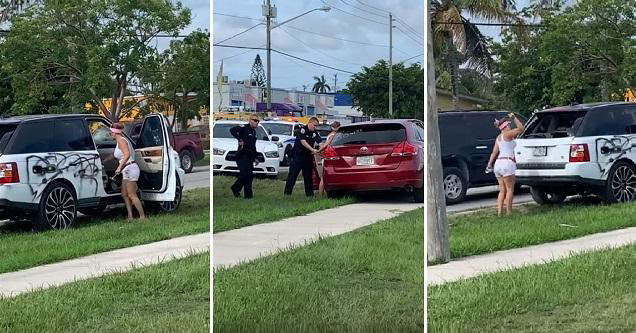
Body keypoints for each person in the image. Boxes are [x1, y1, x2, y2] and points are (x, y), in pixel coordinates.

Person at [487, 113, 525, 216]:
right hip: (507, 163)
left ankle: (499, 212)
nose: (510, 126)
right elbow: (521, 128)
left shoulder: (499, 138)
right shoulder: (508, 134)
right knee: (510, 190)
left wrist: (489, 164)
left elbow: (494, 153)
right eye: (508, 125)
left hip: (498, 164)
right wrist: (514, 117)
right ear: (505, 126)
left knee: (502, 190)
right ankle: (509, 212)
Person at [110, 122, 145, 220]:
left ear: (114, 133)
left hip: (130, 169)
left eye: (111, 132)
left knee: (132, 194)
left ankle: (142, 216)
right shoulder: (119, 141)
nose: (110, 134)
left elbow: (127, 154)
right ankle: (130, 216)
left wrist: (119, 167)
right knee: (124, 194)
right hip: (126, 170)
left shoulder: (121, 140)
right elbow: (119, 155)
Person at [284, 117, 322, 196]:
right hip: (298, 156)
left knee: (308, 177)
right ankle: (287, 193)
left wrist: (322, 148)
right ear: (310, 123)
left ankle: (309, 195)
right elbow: (303, 142)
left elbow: (320, 142)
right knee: (293, 175)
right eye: (314, 125)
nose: (315, 127)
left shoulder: (315, 132)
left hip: (307, 157)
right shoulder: (302, 130)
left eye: (316, 126)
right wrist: (312, 149)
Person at [229, 114, 260, 199]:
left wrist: (256, 157)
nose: (257, 122)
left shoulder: (254, 132)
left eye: (258, 121)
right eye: (255, 120)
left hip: (250, 156)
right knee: (244, 175)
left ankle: (248, 196)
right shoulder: (244, 128)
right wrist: (239, 139)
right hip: (242, 155)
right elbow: (232, 130)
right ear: (250, 120)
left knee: (249, 176)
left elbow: (253, 147)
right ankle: (235, 188)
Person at [317, 121, 341, 196]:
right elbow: (326, 145)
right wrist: (318, 151)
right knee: (324, 177)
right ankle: (320, 195)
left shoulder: (330, 134)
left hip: (328, 156)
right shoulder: (334, 135)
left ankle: (323, 194)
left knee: (324, 177)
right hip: (329, 156)